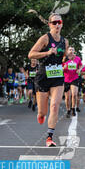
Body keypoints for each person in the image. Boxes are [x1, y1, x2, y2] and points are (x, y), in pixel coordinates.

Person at [28, 13, 68, 147]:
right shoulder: (45, 38)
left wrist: (67, 58)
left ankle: (49, 137)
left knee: (55, 106)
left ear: (62, 24)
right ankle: (41, 114)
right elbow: (31, 54)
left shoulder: (65, 41)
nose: (57, 25)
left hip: (57, 76)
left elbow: (63, 57)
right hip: (43, 76)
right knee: (42, 112)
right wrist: (48, 52)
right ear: (50, 24)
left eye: (59, 22)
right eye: (54, 22)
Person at [62, 46, 82, 118]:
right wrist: (63, 68)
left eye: (72, 50)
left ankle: (73, 109)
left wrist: (79, 70)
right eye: (69, 50)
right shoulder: (65, 59)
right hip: (66, 79)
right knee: (67, 97)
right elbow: (61, 68)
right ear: (67, 51)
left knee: (74, 95)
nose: (71, 51)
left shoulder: (77, 58)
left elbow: (80, 65)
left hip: (75, 78)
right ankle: (68, 110)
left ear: (74, 51)